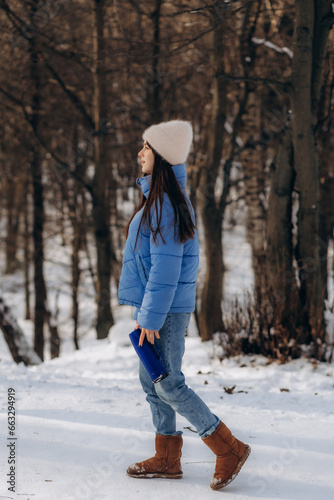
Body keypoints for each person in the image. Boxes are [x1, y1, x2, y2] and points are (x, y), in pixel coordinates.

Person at [118, 120, 250, 490]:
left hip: (166, 312)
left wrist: (151, 317)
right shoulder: (162, 199)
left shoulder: (165, 204)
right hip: (157, 309)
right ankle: (167, 457)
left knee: (169, 383)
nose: (139, 152)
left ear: (160, 156)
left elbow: (166, 269)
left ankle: (228, 448)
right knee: (151, 382)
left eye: (145, 147)